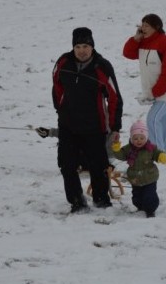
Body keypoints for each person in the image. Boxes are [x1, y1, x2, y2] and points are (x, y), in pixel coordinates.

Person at [51, 27, 124, 213]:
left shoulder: (102, 67)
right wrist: (61, 110)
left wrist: (115, 127)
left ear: (92, 46)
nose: (82, 50)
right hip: (68, 125)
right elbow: (57, 87)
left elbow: (114, 97)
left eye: (85, 46)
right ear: (73, 47)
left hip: (95, 126)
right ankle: (77, 202)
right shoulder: (63, 63)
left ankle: (101, 200)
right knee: (67, 165)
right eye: (78, 46)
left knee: (98, 165)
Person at [122, 13, 166, 161]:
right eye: (142, 25)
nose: (143, 28)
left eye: (147, 26)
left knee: (153, 119)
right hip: (154, 92)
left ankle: (157, 156)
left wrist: (156, 92)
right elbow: (128, 53)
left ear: (157, 27)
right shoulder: (143, 42)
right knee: (165, 122)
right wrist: (135, 39)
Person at [111, 119, 166, 218]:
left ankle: (150, 210)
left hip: (150, 177)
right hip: (135, 179)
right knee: (137, 197)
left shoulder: (150, 148)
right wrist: (116, 148)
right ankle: (140, 207)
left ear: (146, 137)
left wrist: (161, 156)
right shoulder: (128, 149)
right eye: (135, 138)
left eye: (142, 138)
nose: (139, 141)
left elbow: (156, 153)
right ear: (131, 139)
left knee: (150, 196)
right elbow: (121, 155)